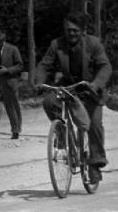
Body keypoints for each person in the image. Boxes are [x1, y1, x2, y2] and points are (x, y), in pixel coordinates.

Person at [35, 11, 112, 184]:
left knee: (94, 123)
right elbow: (44, 65)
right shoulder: (57, 44)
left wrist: (96, 84)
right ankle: (61, 134)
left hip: (91, 89)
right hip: (69, 87)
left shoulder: (94, 44)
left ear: (83, 31)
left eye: (75, 31)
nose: (71, 34)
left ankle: (95, 163)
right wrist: (40, 82)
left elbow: (105, 67)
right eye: (68, 30)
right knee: (49, 102)